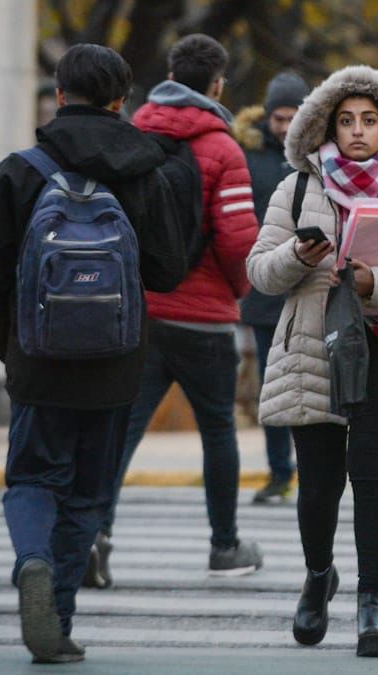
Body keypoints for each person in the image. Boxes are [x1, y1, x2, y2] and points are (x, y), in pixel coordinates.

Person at [0, 44, 186, 663]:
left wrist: (9, 345)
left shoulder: (20, 170)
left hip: (37, 357)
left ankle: (31, 561)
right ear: (124, 101)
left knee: (33, 477)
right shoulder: (147, 169)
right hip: (116, 362)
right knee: (89, 492)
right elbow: (168, 272)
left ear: (59, 96)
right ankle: (57, 618)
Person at [247, 64, 378, 658]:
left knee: (373, 480)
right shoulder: (294, 189)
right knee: (317, 486)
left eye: (369, 121)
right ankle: (318, 579)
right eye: (346, 122)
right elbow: (260, 273)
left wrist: (376, 282)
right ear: (327, 129)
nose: (358, 131)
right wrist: (296, 254)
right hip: (314, 351)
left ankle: (372, 605)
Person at [98, 33, 263, 582]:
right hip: (205, 318)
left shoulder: (133, 133)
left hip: (140, 312)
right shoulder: (223, 149)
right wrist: (235, 292)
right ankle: (224, 547)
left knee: (121, 430)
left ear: (170, 73)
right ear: (217, 85)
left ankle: (96, 534)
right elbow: (239, 241)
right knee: (218, 431)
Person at [232, 71, 311, 504]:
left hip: (311, 286)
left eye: (292, 116)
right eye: (278, 117)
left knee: (316, 383)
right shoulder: (248, 154)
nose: (284, 126)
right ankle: (280, 472)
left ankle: (316, 468)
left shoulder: (318, 154)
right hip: (263, 291)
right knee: (272, 386)